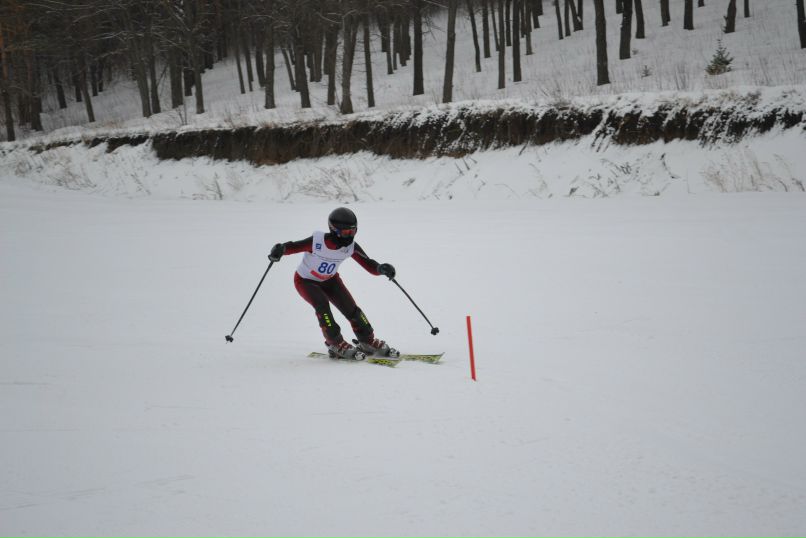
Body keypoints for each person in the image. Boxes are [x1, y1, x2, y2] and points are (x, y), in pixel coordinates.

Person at [268, 207, 398, 360]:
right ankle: (335, 343)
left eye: (353, 231)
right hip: (305, 281)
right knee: (322, 306)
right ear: (334, 230)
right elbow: (293, 247)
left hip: (330, 281)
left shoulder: (350, 247)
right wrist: (280, 250)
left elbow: (369, 264)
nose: (349, 236)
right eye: (345, 232)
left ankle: (367, 341)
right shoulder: (317, 241)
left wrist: (381, 268)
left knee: (352, 310)